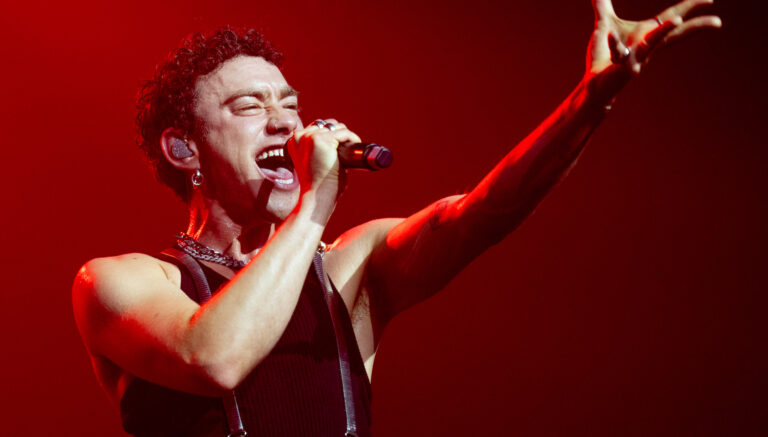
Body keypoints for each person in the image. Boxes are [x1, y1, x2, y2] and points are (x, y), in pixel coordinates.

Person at [72, 1, 721, 436]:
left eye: (289, 103)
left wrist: (589, 103)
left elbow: (484, 211)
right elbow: (212, 357)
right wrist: (313, 205)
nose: (284, 121)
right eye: (249, 105)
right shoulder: (118, 283)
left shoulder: (349, 266)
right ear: (184, 148)